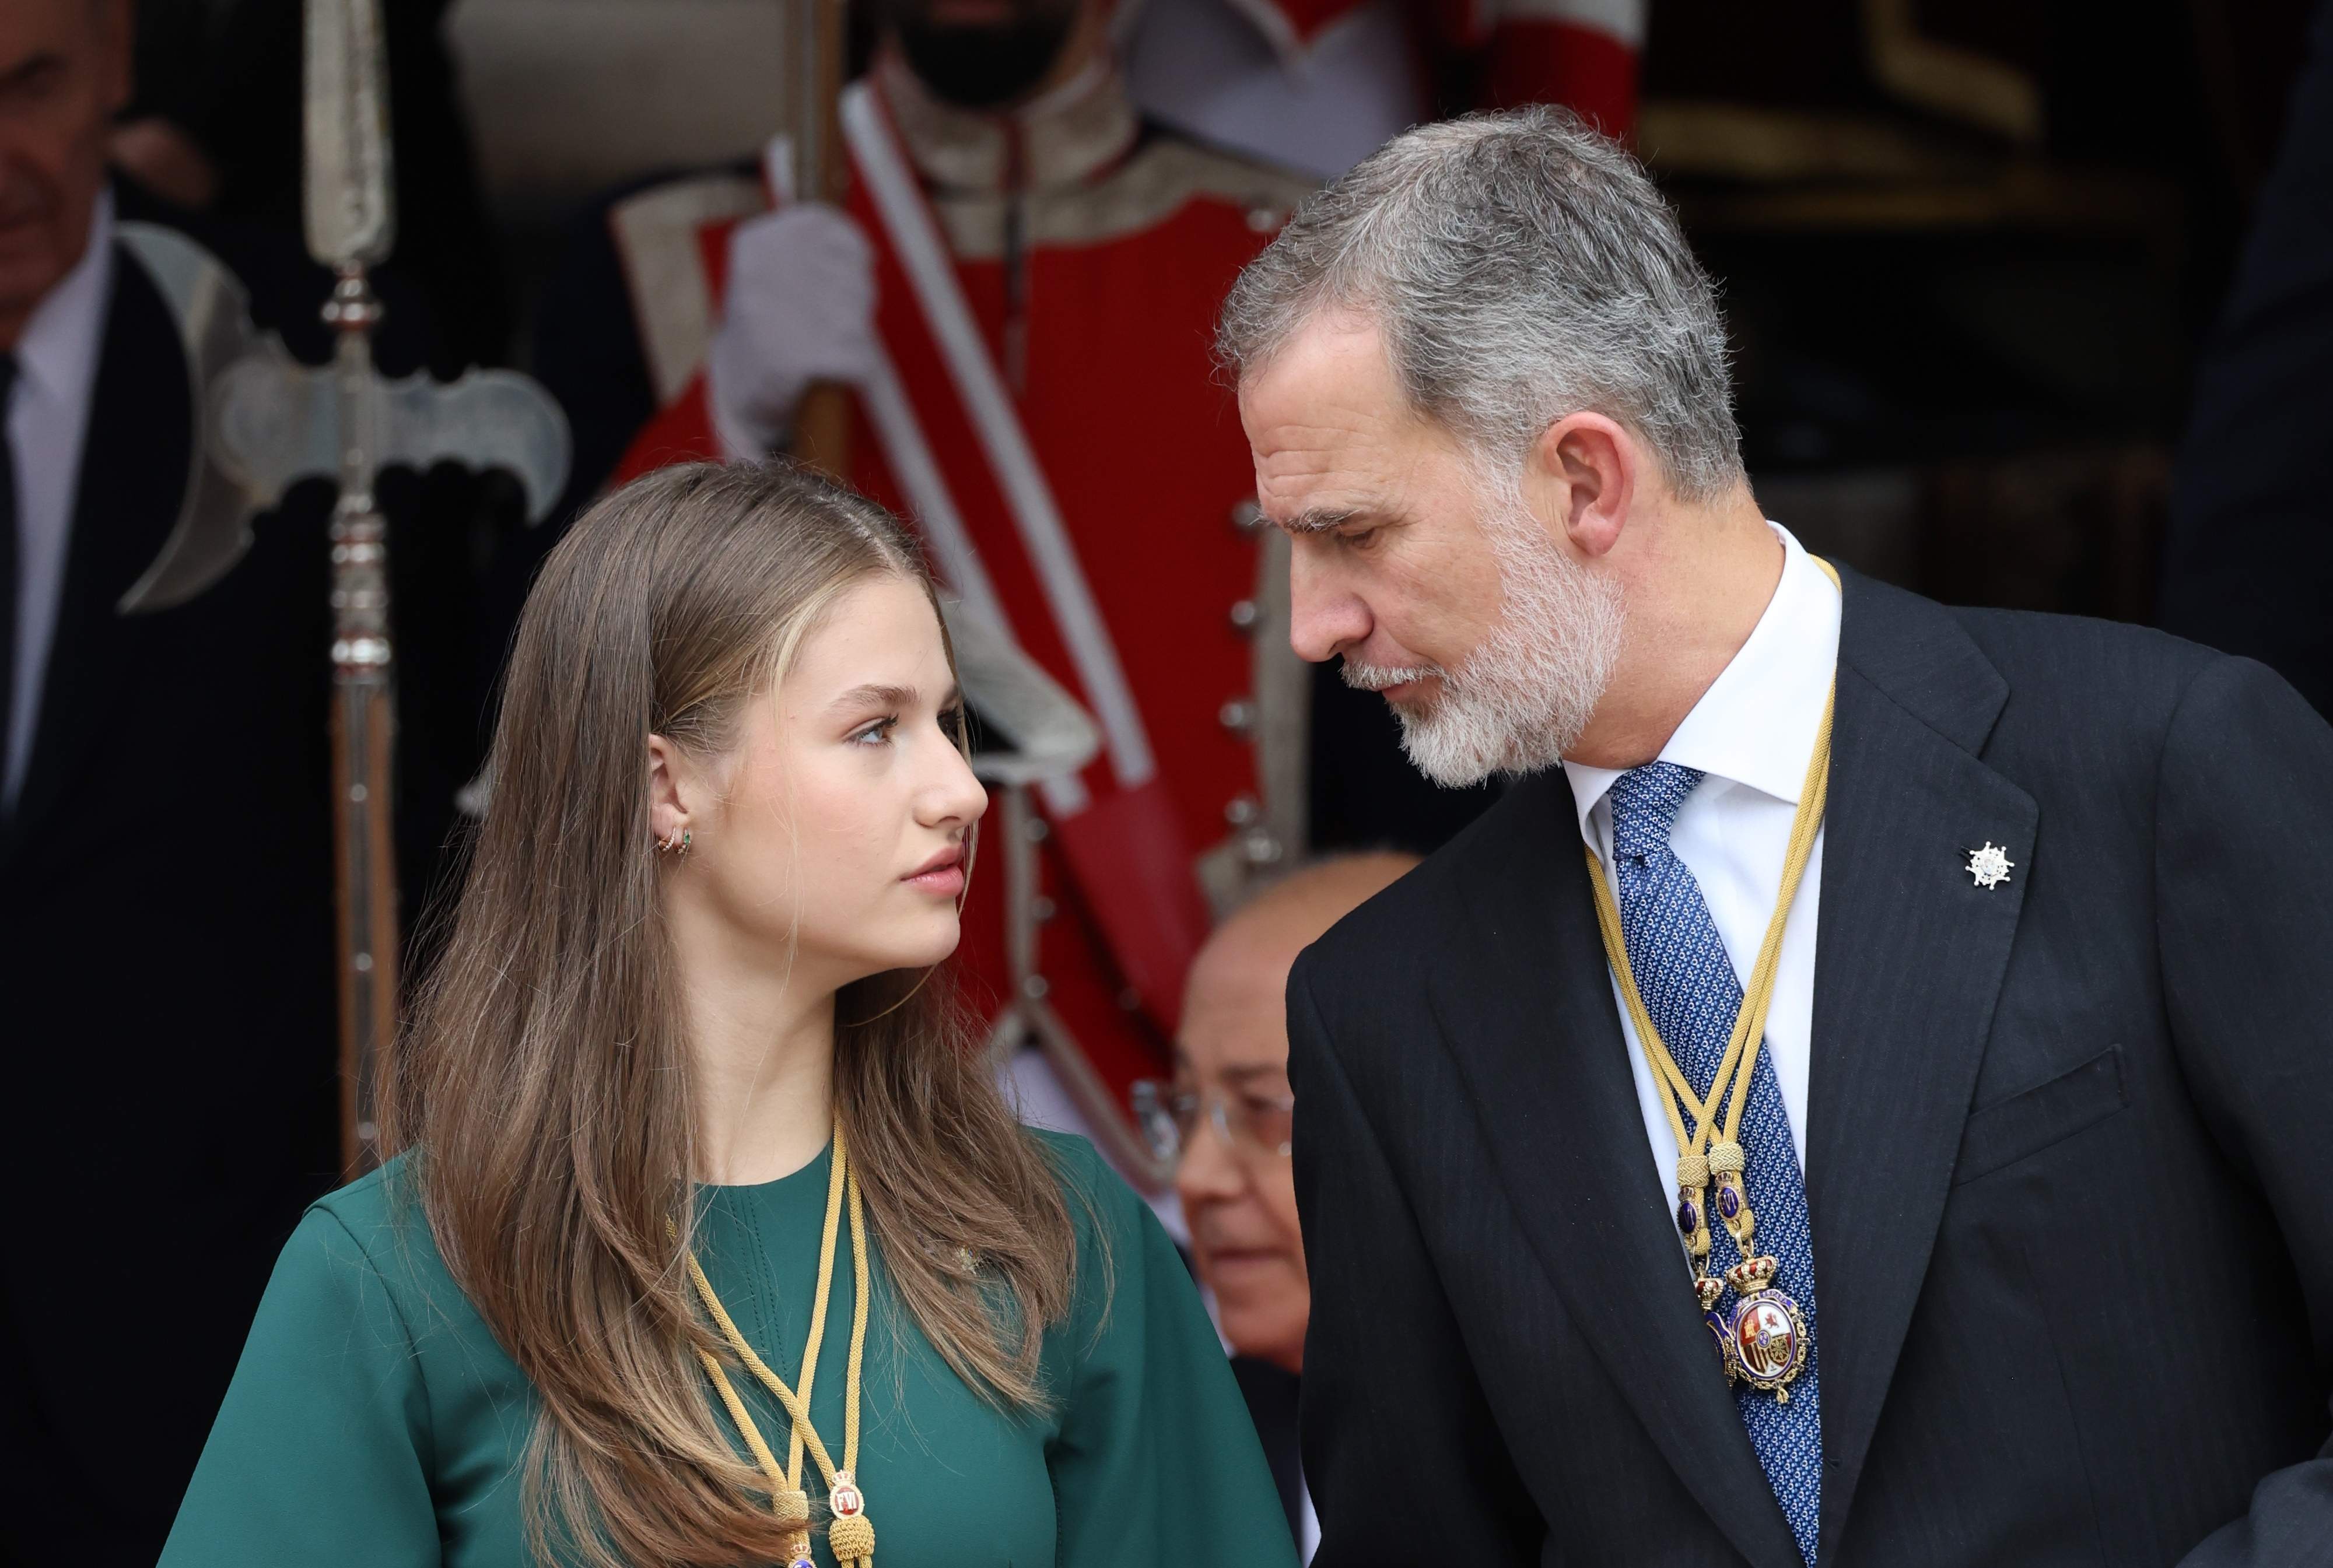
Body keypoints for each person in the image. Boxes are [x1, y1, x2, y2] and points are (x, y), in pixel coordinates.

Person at [1217, 107, 2333, 1568]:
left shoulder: (2158, 768)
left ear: (1585, 480)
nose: (1314, 626)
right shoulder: (1382, 1009)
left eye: (1355, 534)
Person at [160, 461, 1296, 1568]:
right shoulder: (398, 1277)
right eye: (874, 730)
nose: (958, 788)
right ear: (665, 786)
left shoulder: (1063, 1237)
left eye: (949, 723)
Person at [530, 0, 1484, 1188]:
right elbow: (545, 724)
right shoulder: (665, 260)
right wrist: (724, 412)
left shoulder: (1309, 264)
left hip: (1203, 1113)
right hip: (821, 1084)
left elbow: (1424, 730)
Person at [0, 1, 464, 1559]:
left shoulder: (325, 362)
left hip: (196, 1321)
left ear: (119, 60)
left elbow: (445, 814)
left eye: (33, 87)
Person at [1142, 850, 1418, 1558]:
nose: (1197, 1177)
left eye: (1264, 1109)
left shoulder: (1596, 1462)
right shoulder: (1160, 1464)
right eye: (1185, 1108)